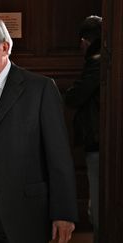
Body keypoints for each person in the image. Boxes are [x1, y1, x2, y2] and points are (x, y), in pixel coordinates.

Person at [0, 18, 78, 243]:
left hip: (24, 212)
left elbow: (59, 156)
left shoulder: (39, 89)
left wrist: (64, 212)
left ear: (5, 47)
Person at [64, 15, 102, 243]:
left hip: (98, 142)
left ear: (84, 41)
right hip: (99, 140)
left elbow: (76, 96)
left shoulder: (97, 62)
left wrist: (69, 93)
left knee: (97, 203)